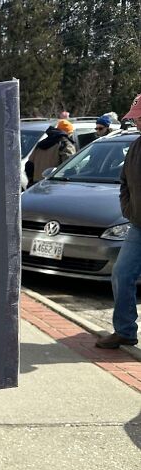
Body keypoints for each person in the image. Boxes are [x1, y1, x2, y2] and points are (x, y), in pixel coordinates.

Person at [95, 94, 141, 349]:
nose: (136, 123)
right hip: (137, 224)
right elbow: (124, 181)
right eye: (135, 119)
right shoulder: (135, 146)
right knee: (122, 274)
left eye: (139, 118)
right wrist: (128, 207)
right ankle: (125, 330)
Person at [24, 119, 76, 185]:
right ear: (68, 133)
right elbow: (70, 166)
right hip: (56, 184)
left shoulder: (41, 144)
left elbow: (29, 165)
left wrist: (31, 181)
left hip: (37, 184)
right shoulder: (65, 144)